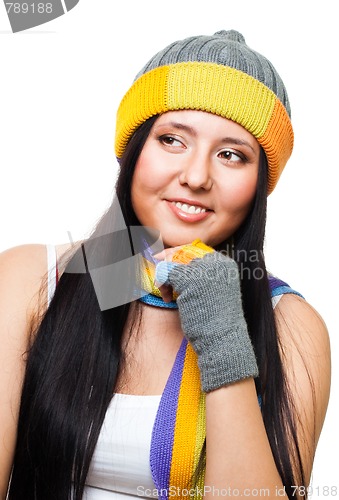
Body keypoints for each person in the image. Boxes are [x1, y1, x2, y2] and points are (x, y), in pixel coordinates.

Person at [0, 30, 331, 500]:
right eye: (172, 139)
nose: (196, 177)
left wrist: (222, 337)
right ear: (134, 150)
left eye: (232, 154)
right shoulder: (35, 281)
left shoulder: (291, 326)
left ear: (260, 182)